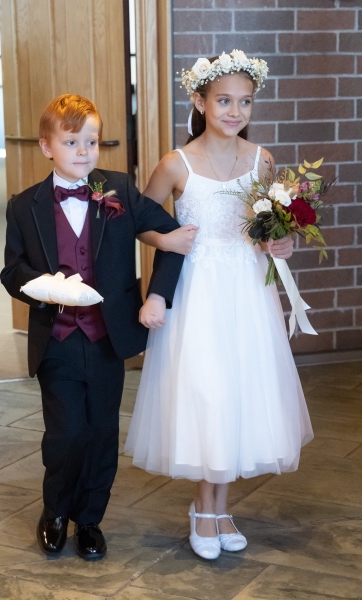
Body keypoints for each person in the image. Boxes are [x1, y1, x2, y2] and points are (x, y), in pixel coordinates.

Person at [125, 51, 314, 560]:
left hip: (249, 291)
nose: (235, 111)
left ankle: (222, 508)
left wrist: (282, 244)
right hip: (200, 293)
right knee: (207, 393)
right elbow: (141, 220)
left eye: (244, 102)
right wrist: (166, 242)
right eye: (224, 101)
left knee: (240, 394)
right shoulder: (176, 163)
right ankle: (201, 509)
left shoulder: (262, 160)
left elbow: (271, 228)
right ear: (200, 101)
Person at [0, 94, 185, 561]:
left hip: (106, 339)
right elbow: (12, 272)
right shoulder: (24, 206)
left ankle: (89, 519)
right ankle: (56, 511)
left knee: (101, 432)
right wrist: (43, 287)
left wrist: (157, 295)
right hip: (58, 340)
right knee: (66, 435)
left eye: (91, 141)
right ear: (46, 146)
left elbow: (174, 240)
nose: (83, 151)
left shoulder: (118, 189)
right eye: (71, 141)